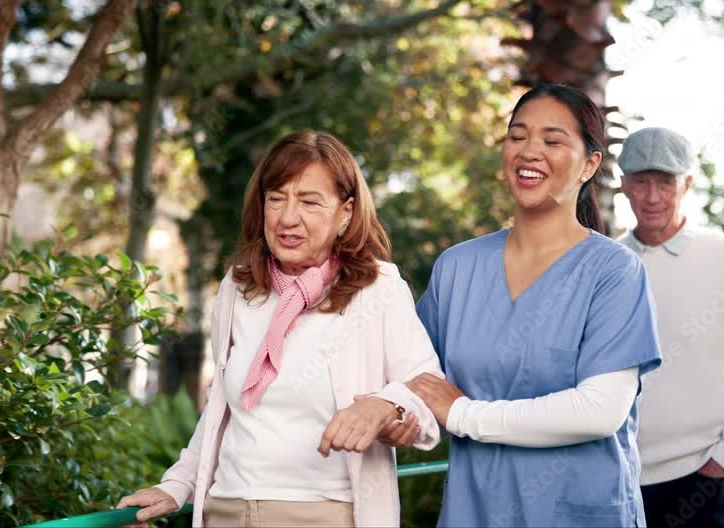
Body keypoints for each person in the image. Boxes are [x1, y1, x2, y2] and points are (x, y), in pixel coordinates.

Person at [116, 130, 443, 528]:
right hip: (228, 510)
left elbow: (427, 391)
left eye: (309, 201)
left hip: (325, 514)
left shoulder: (377, 289)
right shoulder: (238, 288)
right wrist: (176, 485)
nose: (288, 218)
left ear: (345, 212)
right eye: (276, 199)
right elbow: (222, 408)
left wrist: (388, 406)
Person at [404, 84, 663, 527]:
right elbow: (412, 376)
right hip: (474, 513)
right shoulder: (457, 267)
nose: (530, 151)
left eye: (552, 140)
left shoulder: (614, 271)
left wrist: (464, 413)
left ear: (590, 164)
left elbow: (599, 411)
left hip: (581, 513)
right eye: (518, 136)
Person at [615, 127, 724, 527]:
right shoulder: (607, 263)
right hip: (614, 479)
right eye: (641, 182)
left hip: (701, 482)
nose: (652, 196)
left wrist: (723, 461)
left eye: (665, 182)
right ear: (623, 185)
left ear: (688, 184)